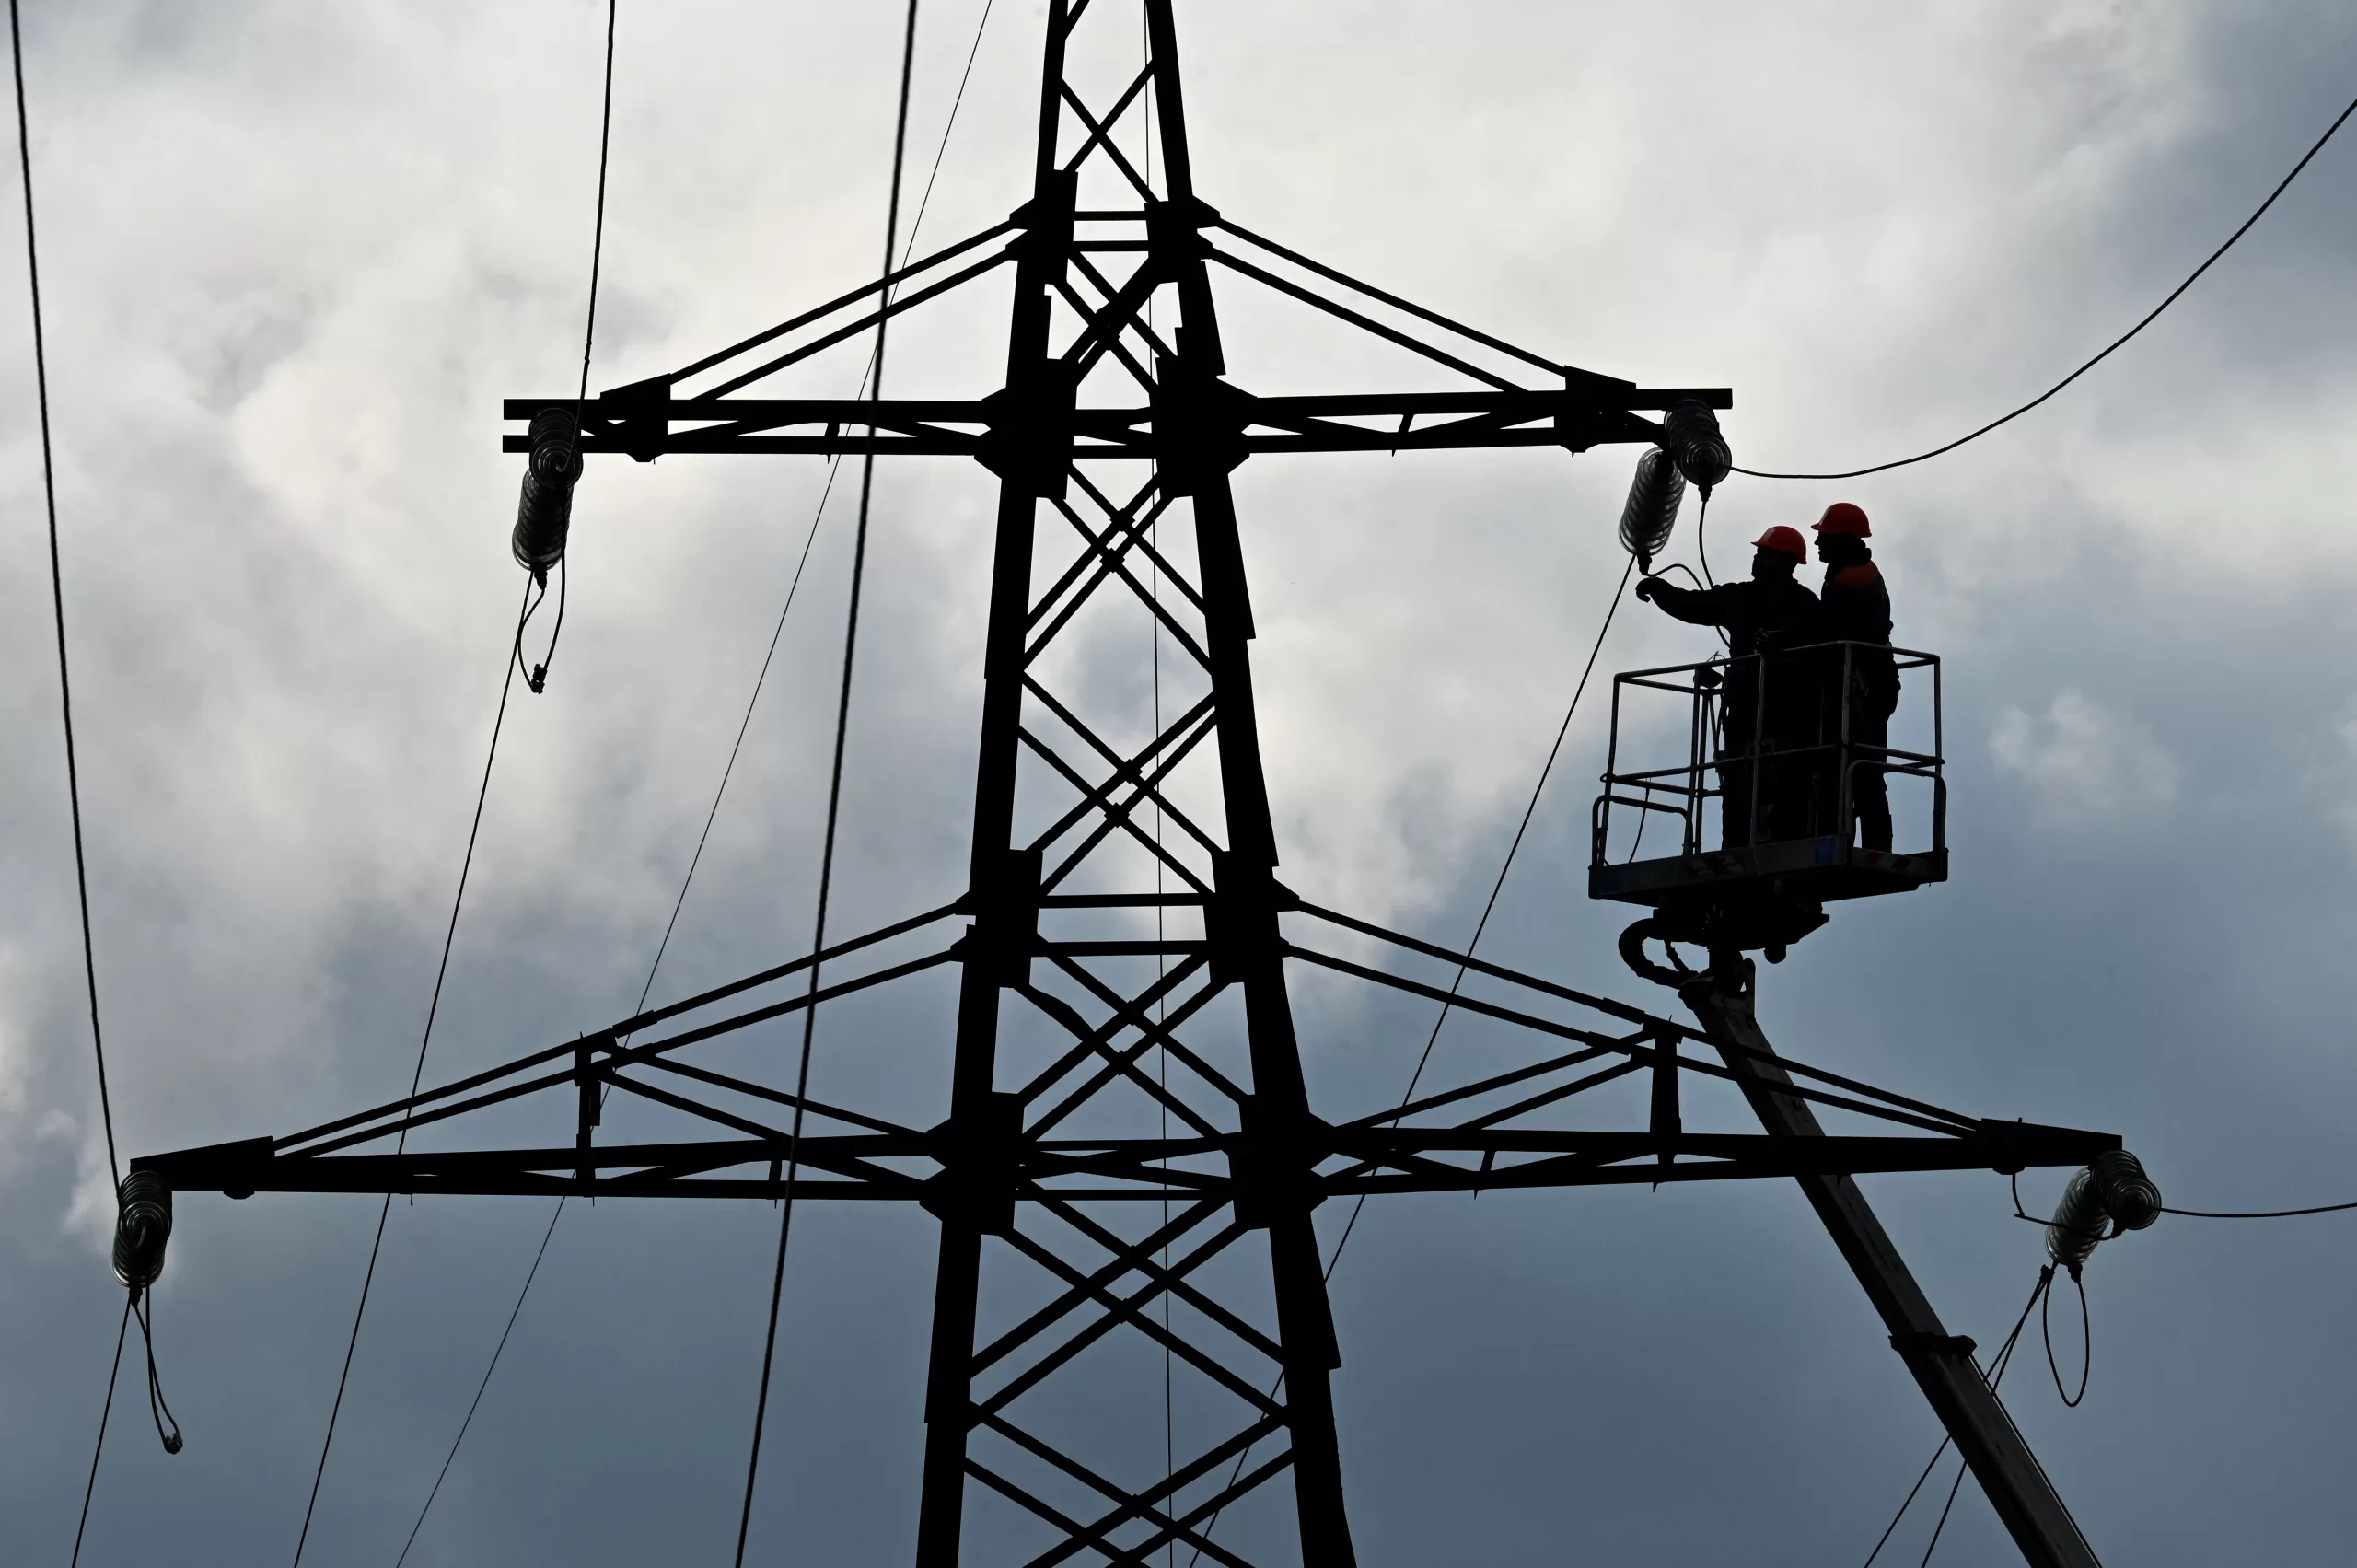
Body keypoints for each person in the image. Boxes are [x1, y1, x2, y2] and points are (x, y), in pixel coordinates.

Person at [1636, 526, 1826, 846]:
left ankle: (1754, 843)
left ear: (1780, 561)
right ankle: (1755, 843)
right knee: (1751, 777)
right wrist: (1659, 588)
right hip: (1771, 710)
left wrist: (1658, 589)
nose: (1755, 559)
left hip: (1778, 711)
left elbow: (1695, 606)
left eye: (1762, 554)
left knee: (1767, 778)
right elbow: (1693, 605)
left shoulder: (1765, 601)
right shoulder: (1791, 602)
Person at [1812, 502, 1898, 852]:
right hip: (1874, 679)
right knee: (1864, 768)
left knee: (1846, 766)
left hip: (1861, 682)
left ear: (1843, 540)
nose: (1817, 544)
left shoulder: (1847, 582)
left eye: (1824, 537)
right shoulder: (1861, 571)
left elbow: (1830, 632)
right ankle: (1875, 846)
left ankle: (1837, 841)